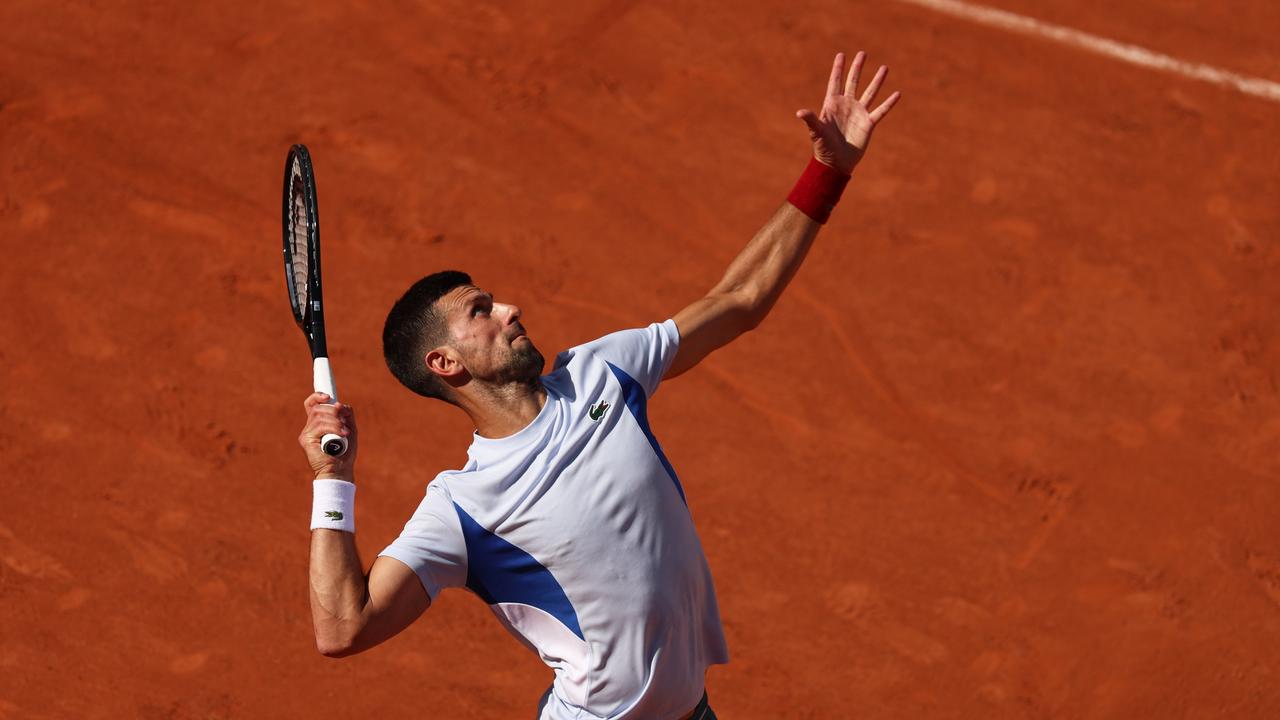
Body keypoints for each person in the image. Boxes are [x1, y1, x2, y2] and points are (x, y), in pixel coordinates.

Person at [299, 51, 900, 720]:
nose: (510, 309)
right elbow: (341, 629)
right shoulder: (462, 509)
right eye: (482, 311)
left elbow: (740, 297)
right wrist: (334, 481)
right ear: (445, 364)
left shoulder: (602, 372)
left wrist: (829, 172)